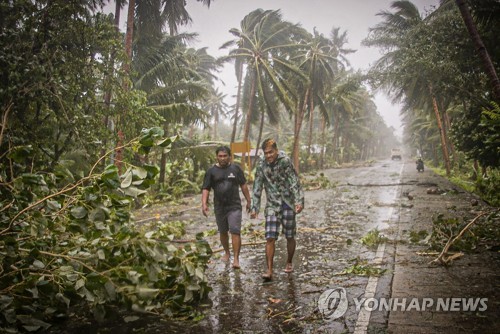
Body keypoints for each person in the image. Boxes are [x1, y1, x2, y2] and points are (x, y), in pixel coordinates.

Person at [250, 138, 304, 281]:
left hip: (287, 202)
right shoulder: (261, 164)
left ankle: (289, 261)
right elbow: (257, 185)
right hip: (272, 205)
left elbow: (294, 181)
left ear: (276, 150)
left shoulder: (285, 161)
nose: (269, 156)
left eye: (271, 152)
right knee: (270, 237)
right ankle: (269, 270)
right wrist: (254, 206)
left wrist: (299, 200)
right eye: (266, 153)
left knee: (290, 236)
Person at [202, 145, 251, 269]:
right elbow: (206, 188)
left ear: (229, 156)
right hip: (219, 207)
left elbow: (243, 185)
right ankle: (227, 252)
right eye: (220, 156)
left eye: (225, 156)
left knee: (235, 231)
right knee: (223, 232)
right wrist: (204, 203)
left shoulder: (236, 169)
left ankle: (236, 259)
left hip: (234, 206)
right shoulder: (211, 171)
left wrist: (249, 201)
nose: (222, 158)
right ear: (217, 157)